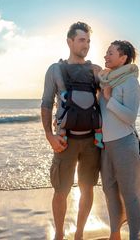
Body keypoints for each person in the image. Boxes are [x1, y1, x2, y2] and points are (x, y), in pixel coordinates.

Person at [41, 22, 102, 240]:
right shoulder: (55, 70)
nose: (86, 45)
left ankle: (79, 234)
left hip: (91, 143)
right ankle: (59, 235)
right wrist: (49, 135)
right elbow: (46, 104)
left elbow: (108, 97)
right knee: (61, 191)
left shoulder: (95, 71)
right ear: (70, 41)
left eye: (88, 41)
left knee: (87, 189)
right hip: (65, 141)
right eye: (81, 40)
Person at [98, 40, 140, 239]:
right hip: (105, 144)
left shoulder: (130, 82)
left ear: (123, 58)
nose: (106, 56)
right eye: (106, 52)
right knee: (109, 190)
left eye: (110, 53)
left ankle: (135, 236)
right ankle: (115, 234)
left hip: (124, 142)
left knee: (129, 193)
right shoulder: (105, 80)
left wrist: (109, 98)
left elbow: (130, 117)